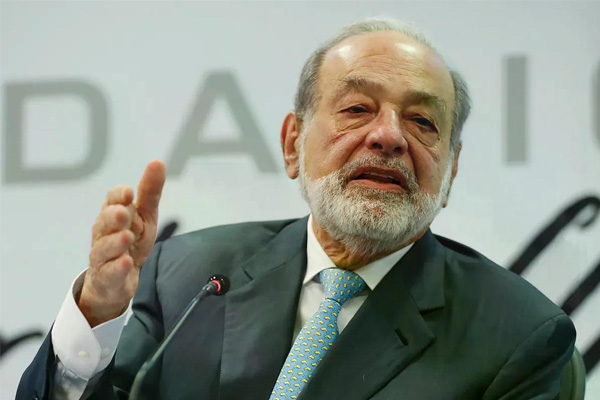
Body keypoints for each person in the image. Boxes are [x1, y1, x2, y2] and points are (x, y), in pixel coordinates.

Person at [18, 18, 575, 400]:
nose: (388, 136)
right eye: (357, 108)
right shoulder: (185, 276)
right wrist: (97, 312)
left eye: (422, 122)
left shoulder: (519, 337)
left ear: (450, 170)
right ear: (292, 144)